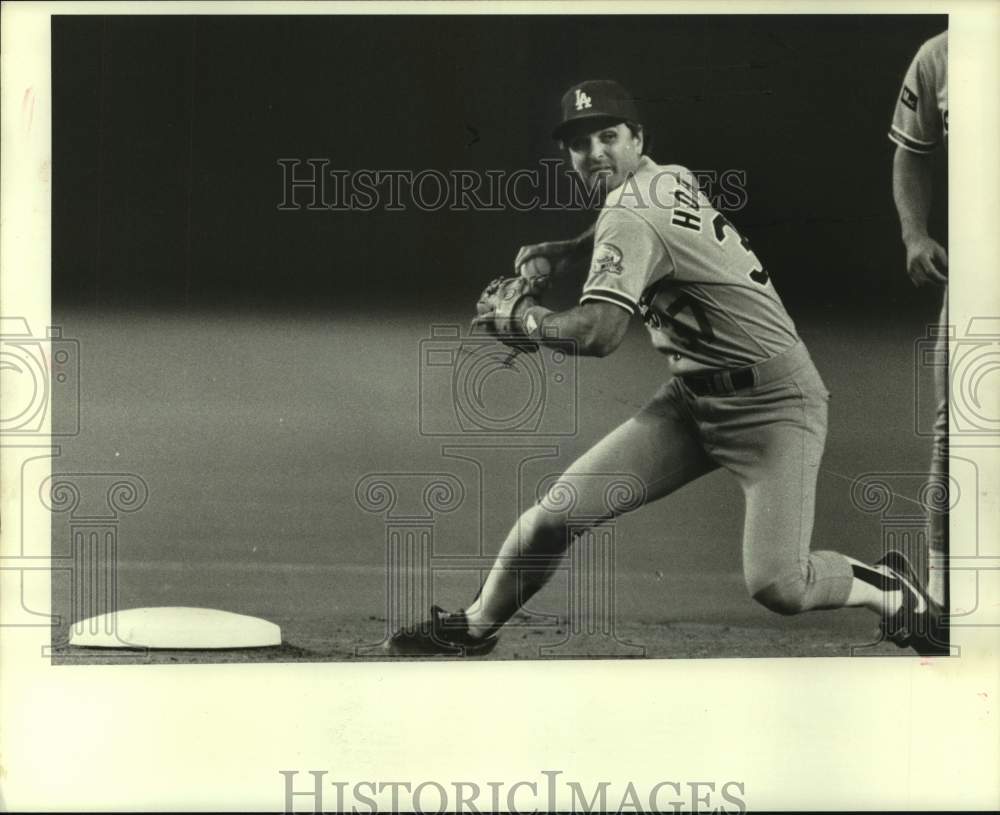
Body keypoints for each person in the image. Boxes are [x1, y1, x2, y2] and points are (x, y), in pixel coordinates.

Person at [388, 79, 945, 657]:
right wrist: (570, 249)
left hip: (775, 406)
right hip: (691, 403)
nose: (596, 152)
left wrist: (522, 319)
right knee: (556, 516)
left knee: (780, 584)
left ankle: (890, 589)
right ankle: (475, 626)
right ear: (567, 155)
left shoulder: (631, 217)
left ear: (637, 139)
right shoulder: (666, 175)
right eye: (581, 143)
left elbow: (600, 334)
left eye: (609, 136)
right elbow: (632, 223)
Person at [889, 31, 949, 607]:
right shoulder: (940, 54)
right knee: (954, 430)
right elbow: (912, 151)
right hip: (981, 270)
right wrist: (914, 233)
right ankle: (944, 596)